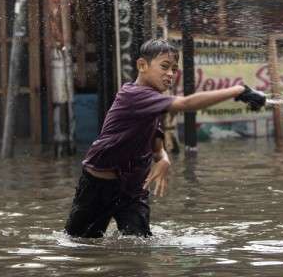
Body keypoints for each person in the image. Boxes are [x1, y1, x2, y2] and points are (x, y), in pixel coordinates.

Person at [64, 38, 267, 238]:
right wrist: (238, 91)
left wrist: (163, 158)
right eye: (164, 66)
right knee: (80, 244)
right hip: (100, 186)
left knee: (138, 248)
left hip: (133, 189)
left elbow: (155, 143)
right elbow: (186, 104)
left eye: (174, 69)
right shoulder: (134, 95)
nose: (170, 74)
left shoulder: (153, 102)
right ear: (142, 65)